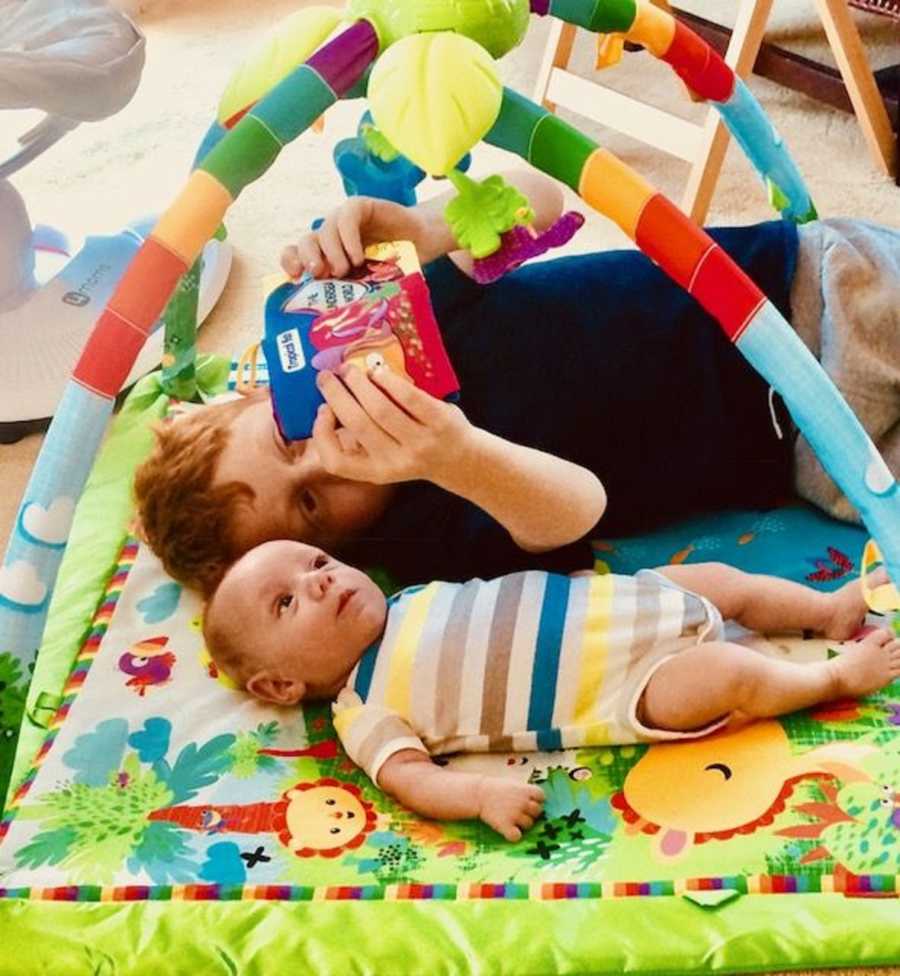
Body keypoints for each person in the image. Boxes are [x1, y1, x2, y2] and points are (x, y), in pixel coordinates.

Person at [134, 170, 900, 593]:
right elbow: (578, 510)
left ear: (273, 389)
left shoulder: (399, 324)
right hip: (815, 457)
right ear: (336, 552)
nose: (329, 453)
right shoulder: (429, 539)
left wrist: (426, 224)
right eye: (311, 503)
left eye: (287, 436)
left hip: (807, 295)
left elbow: (544, 198)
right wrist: (451, 457)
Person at [202, 537, 899, 841]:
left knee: (724, 581)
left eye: (317, 561)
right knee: (732, 677)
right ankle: (832, 676)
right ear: (282, 683)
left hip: (634, 600)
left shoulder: (409, 597)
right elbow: (411, 779)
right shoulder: (363, 708)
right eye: (287, 603)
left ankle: (821, 611)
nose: (319, 579)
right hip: (627, 687)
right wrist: (479, 795)